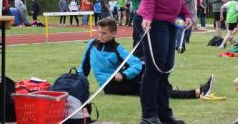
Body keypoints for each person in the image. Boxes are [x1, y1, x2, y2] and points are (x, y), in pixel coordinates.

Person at [79, 18, 213, 99]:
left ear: (114, 33)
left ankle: (176, 88)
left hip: (121, 80)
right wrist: (76, 84)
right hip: (111, 86)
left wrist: (124, 74)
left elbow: (136, 64)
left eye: (104, 33)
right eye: (99, 32)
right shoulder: (91, 45)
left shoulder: (117, 48)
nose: (100, 36)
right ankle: (196, 92)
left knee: (149, 68)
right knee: (154, 88)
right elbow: (83, 69)